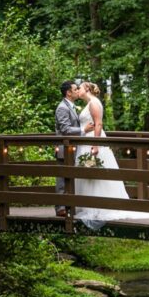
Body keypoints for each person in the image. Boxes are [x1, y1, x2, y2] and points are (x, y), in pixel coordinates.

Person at [74, 81, 149, 229]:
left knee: (96, 174)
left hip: (92, 142)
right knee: (89, 175)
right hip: (86, 142)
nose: (77, 90)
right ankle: (88, 205)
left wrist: (95, 144)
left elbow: (98, 124)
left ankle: (100, 207)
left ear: (87, 89)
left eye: (79, 88)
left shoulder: (94, 103)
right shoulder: (89, 103)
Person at [54, 79, 93, 217]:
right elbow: (65, 129)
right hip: (64, 149)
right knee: (62, 179)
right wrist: (84, 129)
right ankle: (60, 208)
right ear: (68, 93)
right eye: (75, 89)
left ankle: (69, 204)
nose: (77, 91)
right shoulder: (62, 108)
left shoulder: (70, 106)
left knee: (70, 177)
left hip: (73, 148)